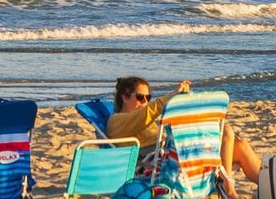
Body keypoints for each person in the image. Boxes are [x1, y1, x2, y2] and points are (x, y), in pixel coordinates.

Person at [106, 76, 263, 184]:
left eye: (148, 97)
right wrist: (171, 96)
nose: (146, 101)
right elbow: (145, 115)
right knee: (226, 133)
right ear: (124, 97)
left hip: (172, 155)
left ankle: (268, 188)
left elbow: (148, 116)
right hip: (154, 165)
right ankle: (227, 187)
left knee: (238, 145)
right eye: (140, 97)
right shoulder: (116, 121)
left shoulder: (146, 120)